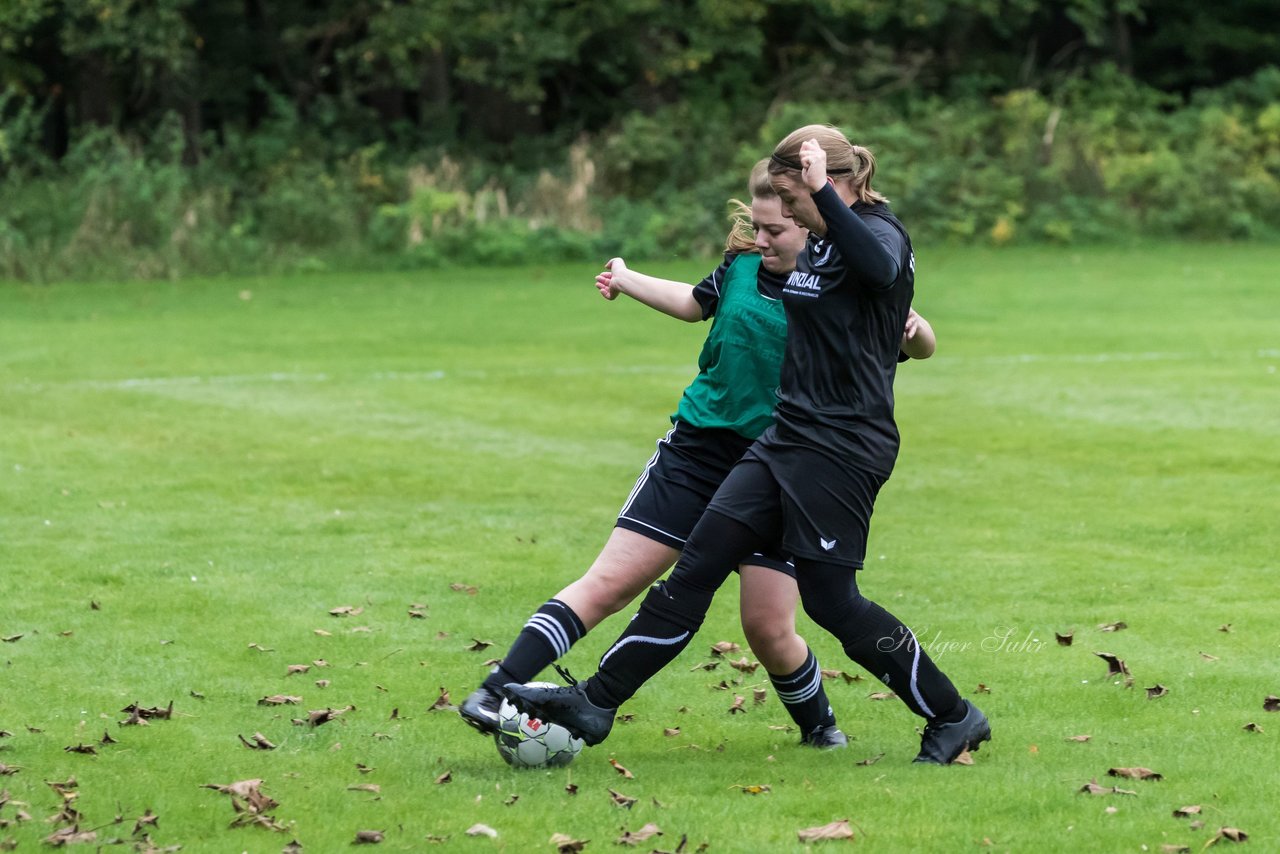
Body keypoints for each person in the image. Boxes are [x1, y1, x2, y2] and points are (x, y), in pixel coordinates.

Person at [507, 125, 989, 766]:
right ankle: (596, 704)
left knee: (831, 602)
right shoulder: (816, 243)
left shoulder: (877, 231)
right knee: (696, 566)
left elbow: (878, 270)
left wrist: (823, 194)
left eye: (792, 200)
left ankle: (954, 716)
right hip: (786, 436)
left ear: (833, 183)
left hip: (841, 448)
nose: (783, 214)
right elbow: (728, 300)